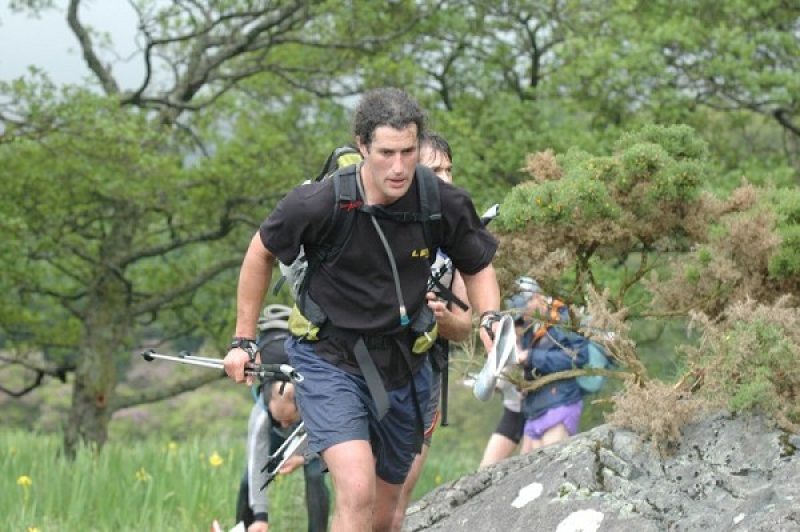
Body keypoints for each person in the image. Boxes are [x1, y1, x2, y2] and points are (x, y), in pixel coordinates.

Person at [223, 87, 501, 532]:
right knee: (356, 491)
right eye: (386, 152)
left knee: (387, 514)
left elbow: (479, 265)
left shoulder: (440, 202)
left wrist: (490, 319)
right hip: (330, 358)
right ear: (362, 146)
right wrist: (243, 339)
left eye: (408, 152)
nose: (398, 166)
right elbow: (260, 253)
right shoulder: (321, 201)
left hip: (405, 364)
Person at [391, 132, 473, 531]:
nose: (445, 179)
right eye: (434, 169)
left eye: (449, 169)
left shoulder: (457, 232)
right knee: (361, 494)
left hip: (425, 373)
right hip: (366, 370)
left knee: (401, 493)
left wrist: (441, 317)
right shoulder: (381, 221)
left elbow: (464, 326)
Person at [235, 305, 330, 532]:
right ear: (267, 405)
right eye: (280, 420)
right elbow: (257, 462)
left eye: (289, 420)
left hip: (309, 434)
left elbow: (331, 438)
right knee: (249, 479)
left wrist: (303, 458)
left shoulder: (315, 405)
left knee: (316, 474)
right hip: (274, 431)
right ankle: (243, 526)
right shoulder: (260, 418)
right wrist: (261, 516)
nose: (285, 425)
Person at [514, 278, 590, 452]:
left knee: (551, 474)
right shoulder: (530, 327)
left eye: (524, 308)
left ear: (537, 296)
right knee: (525, 475)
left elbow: (579, 357)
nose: (522, 316)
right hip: (534, 411)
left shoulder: (565, 318)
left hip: (560, 405)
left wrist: (531, 356)